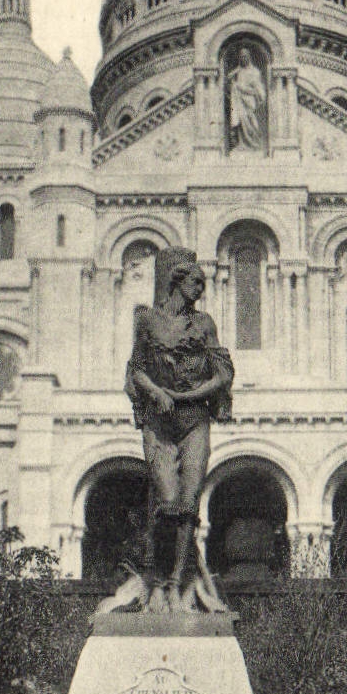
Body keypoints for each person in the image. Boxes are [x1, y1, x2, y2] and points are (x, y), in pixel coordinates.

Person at [125, 246, 233, 608]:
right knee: (167, 501)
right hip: (159, 423)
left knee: (188, 503)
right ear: (177, 281)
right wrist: (158, 393)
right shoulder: (148, 320)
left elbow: (223, 373)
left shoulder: (204, 324)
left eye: (203, 284)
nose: (201, 288)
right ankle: (155, 578)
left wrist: (188, 396)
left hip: (194, 421)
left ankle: (177, 583)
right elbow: (136, 369)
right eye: (196, 282)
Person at [227, 46, 267, 150]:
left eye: (245, 56)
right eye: (241, 57)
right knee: (241, 121)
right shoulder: (239, 71)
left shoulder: (255, 71)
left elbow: (258, 89)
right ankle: (243, 143)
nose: (243, 59)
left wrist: (240, 87)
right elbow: (229, 77)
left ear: (249, 57)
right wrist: (237, 70)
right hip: (239, 100)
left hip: (249, 100)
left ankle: (255, 142)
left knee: (250, 120)